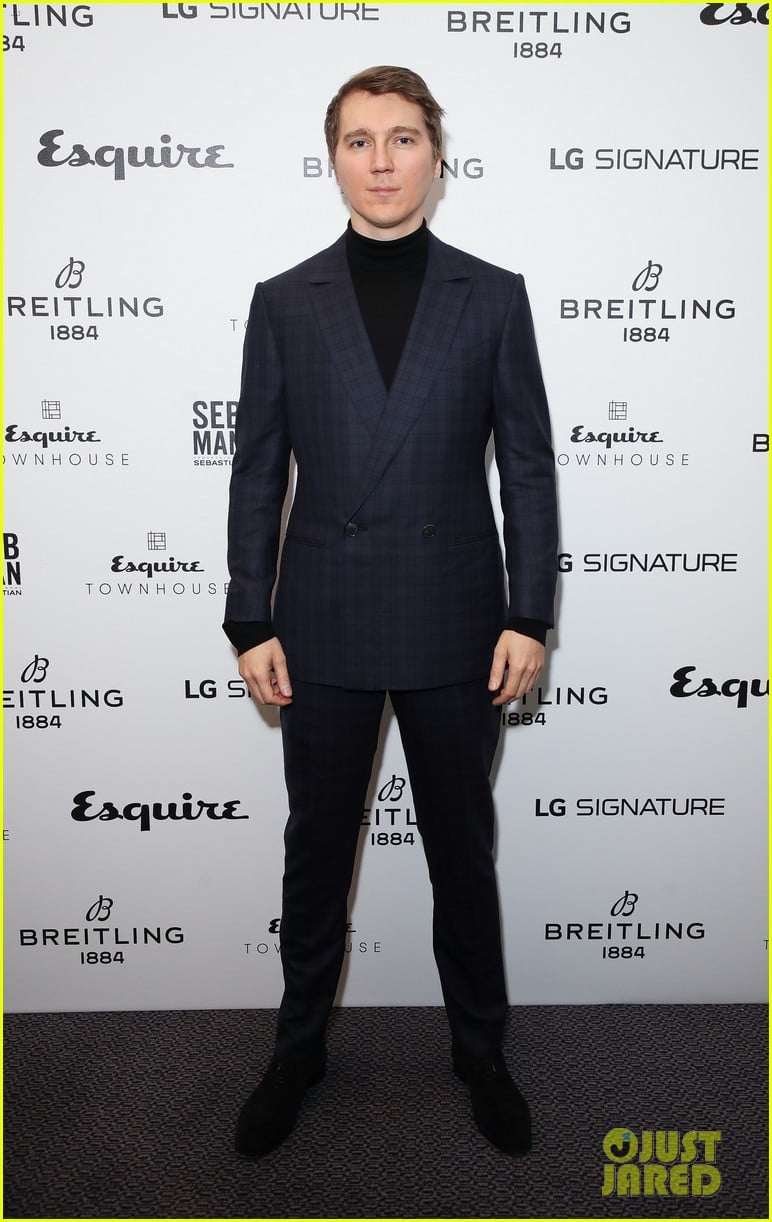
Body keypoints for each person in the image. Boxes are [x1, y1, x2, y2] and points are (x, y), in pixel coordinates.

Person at [224, 65, 558, 1160]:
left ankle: (480, 1053)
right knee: (316, 852)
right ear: (333, 158)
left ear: (435, 155)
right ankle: (296, 1051)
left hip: (458, 621)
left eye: (402, 137)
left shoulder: (492, 295)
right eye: (359, 140)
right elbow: (257, 471)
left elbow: (528, 465)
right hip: (318, 621)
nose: (381, 160)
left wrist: (529, 614)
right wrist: (248, 618)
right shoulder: (284, 300)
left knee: (461, 849)